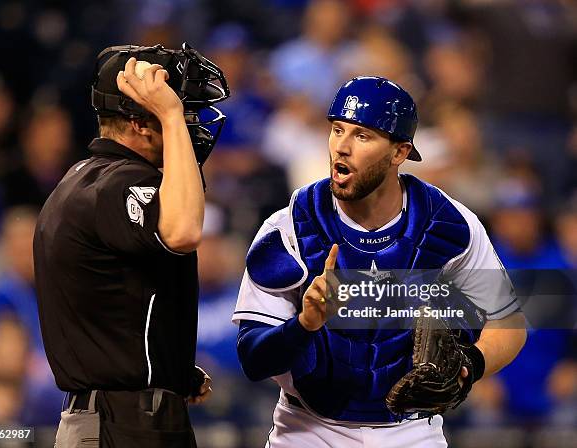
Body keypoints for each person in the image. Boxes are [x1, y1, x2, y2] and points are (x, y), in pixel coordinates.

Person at [233, 76, 527, 447]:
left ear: (399, 153)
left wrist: (469, 366)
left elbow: (509, 323)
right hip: (307, 429)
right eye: (337, 129)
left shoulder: (448, 224)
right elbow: (252, 359)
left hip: (411, 431)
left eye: (362, 135)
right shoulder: (290, 226)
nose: (341, 147)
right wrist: (303, 325)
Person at [33, 43, 229, 447]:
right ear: (141, 122)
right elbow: (183, 232)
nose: (192, 122)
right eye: (183, 109)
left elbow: (116, 297)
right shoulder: (118, 184)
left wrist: (167, 367)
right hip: (119, 424)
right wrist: (171, 116)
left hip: (123, 416)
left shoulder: (92, 177)